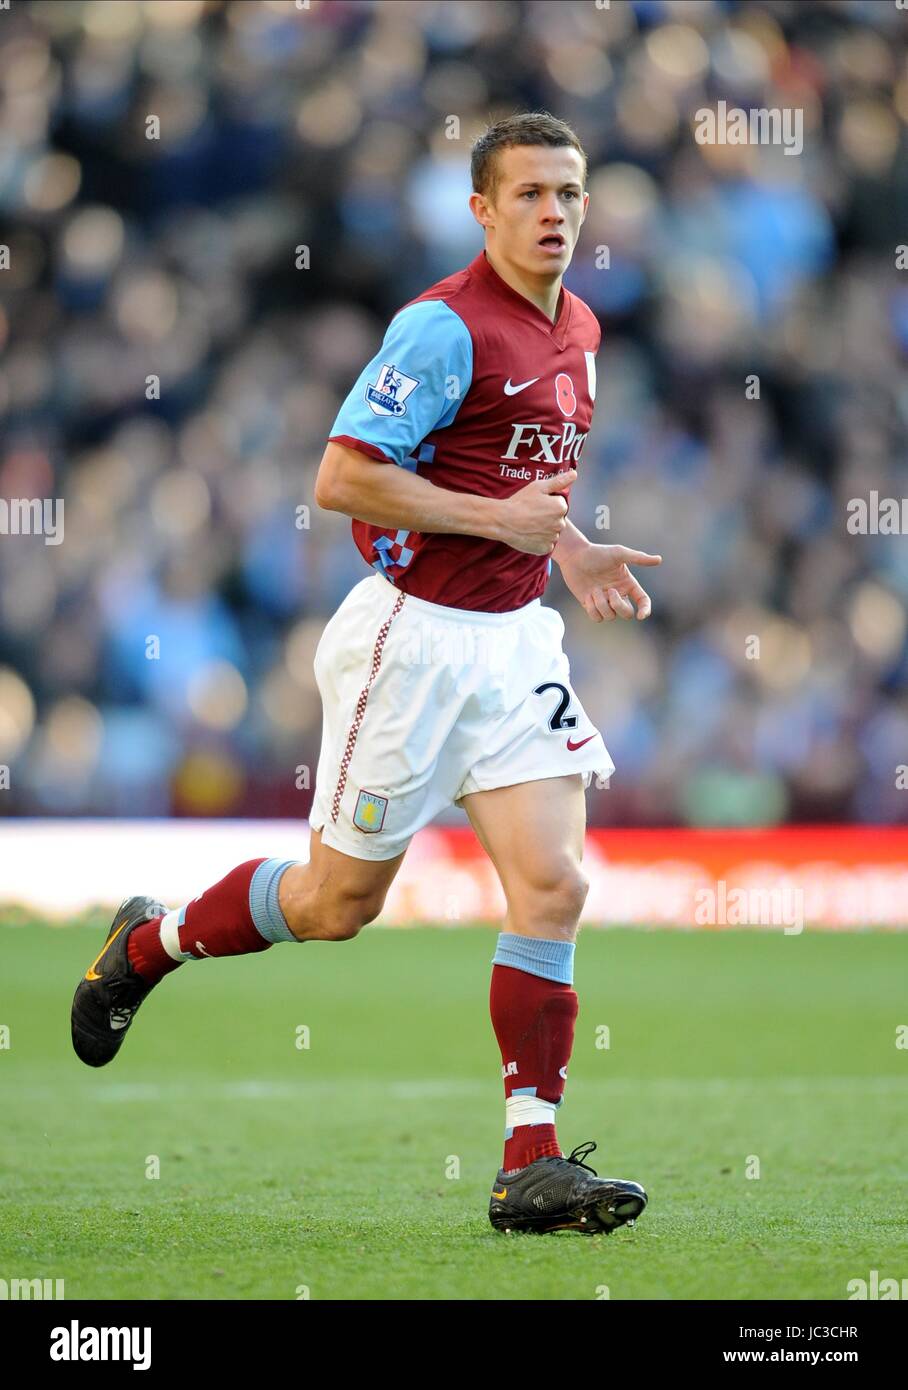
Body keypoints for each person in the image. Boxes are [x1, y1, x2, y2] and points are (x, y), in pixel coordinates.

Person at [71, 112, 661, 1237]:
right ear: (480, 209)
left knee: (554, 883)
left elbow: (521, 484)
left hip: (513, 640)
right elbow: (343, 477)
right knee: (336, 903)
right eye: (528, 194)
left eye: (569, 194)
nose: (553, 214)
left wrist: (569, 550)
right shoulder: (441, 328)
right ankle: (147, 942)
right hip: (410, 639)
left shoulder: (579, 326)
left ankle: (527, 1162)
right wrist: (497, 520)